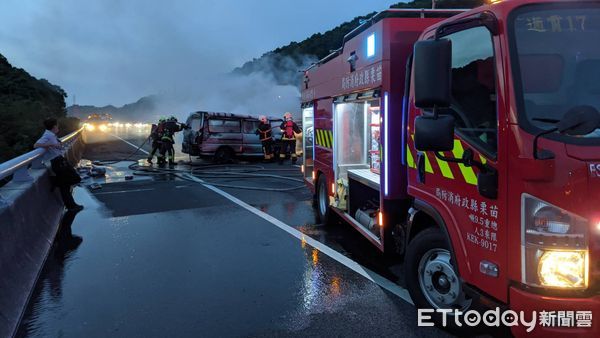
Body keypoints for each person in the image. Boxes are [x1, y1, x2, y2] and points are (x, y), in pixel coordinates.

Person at [34, 118, 83, 211]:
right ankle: (71, 206)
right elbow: (36, 145)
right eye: (57, 125)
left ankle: (71, 204)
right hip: (56, 163)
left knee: (70, 181)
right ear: (54, 126)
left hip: (60, 160)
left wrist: (55, 143)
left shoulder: (52, 135)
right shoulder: (48, 135)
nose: (58, 127)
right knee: (66, 184)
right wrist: (49, 145)